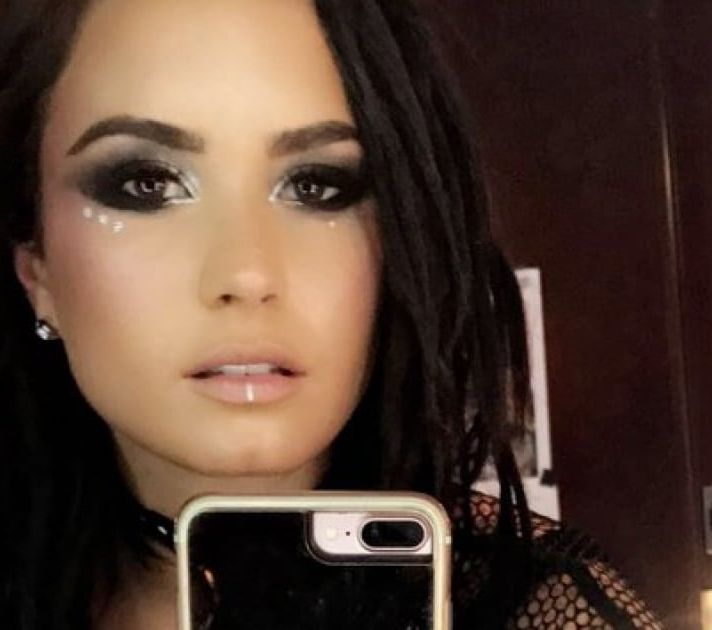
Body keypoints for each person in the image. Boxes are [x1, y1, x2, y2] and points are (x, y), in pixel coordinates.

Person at [0, 0, 661, 628]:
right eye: (147, 184)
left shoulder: (550, 612)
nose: (248, 273)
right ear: (36, 268)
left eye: (316, 186)